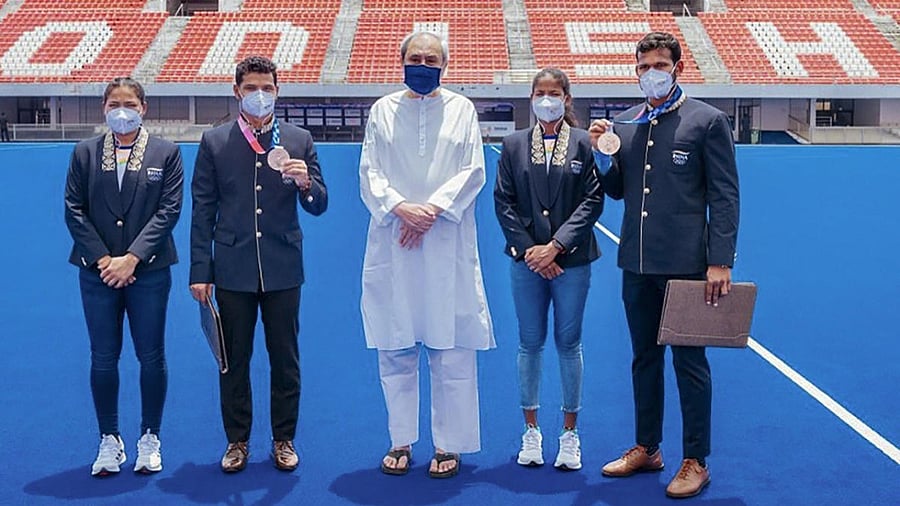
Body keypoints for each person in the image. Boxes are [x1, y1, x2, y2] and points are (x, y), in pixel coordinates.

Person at [588, 32, 740, 498]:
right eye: (643, 66)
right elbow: (618, 190)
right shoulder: (627, 123)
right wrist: (601, 157)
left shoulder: (707, 121)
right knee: (644, 359)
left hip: (687, 265)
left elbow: (724, 195)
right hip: (637, 262)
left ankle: (696, 459)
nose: (650, 73)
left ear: (678, 68)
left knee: (689, 362)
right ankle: (647, 447)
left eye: (659, 64)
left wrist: (720, 260)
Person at [359, 31, 495, 479]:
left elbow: (473, 170)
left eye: (431, 59)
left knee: (450, 346)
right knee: (396, 345)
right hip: (394, 240)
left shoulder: (462, 110)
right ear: (401, 61)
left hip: (445, 241)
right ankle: (399, 438)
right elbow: (370, 171)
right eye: (415, 57)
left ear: (444, 65)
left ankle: (448, 444)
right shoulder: (382, 110)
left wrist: (432, 210)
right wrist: (401, 208)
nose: (422, 65)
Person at [189, 55, 327, 473]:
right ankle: (237, 440)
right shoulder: (215, 142)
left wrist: (306, 183)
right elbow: (203, 211)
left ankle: (284, 438)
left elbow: (319, 203)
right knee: (233, 360)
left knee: (286, 358)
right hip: (233, 268)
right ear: (237, 92)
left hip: (284, 266)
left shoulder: (299, 140)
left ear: (278, 92)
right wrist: (200, 271)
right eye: (251, 88)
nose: (260, 95)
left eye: (267, 88)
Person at [64, 77, 183, 477]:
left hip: (148, 270)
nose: (122, 111)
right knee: (103, 356)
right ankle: (109, 438)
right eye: (114, 103)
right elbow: (74, 209)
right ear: (104, 108)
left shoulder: (166, 152)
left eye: (129, 104)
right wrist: (104, 259)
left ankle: (150, 436)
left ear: (143, 108)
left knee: (151, 355)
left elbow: (168, 211)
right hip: (96, 272)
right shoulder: (85, 152)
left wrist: (132, 258)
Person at [493, 68, 604, 471]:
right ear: (531, 97)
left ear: (567, 99)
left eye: (554, 93)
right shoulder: (513, 144)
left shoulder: (584, 143)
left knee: (569, 343)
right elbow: (503, 202)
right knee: (530, 343)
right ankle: (531, 430)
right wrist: (531, 252)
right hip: (527, 263)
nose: (546, 99)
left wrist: (555, 247)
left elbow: (593, 200)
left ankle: (570, 434)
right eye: (540, 92)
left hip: (571, 260)